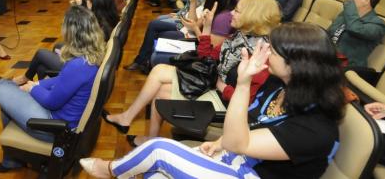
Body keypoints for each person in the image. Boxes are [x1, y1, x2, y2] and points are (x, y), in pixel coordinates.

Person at [81, 23, 345, 179]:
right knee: (157, 174)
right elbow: (250, 127)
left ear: (297, 65)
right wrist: (219, 144)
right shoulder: (280, 83)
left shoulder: (316, 128)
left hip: (253, 174)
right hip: (239, 158)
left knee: (159, 150)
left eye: (272, 51)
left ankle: (110, 170)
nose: (263, 54)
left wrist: (242, 83)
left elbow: (240, 140)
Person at [106, 0, 281, 146]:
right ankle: (136, 126)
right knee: (159, 71)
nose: (231, 14)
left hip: (227, 102)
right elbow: (208, 57)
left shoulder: (261, 56)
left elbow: (247, 103)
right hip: (216, 86)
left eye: (237, 11)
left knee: (161, 92)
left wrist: (221, 86)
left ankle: (143, 132)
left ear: (252, 16)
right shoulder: (240, 37)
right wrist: (207, 26)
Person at [0, 5, 105, 172]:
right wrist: (38, 84)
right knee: (6, 102)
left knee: (0, 90)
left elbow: (51, 102)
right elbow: (62, 80)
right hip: (62, 119)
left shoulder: (78, 66)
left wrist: (31, 88)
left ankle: (4, 84)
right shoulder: (89, 58)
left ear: (71, 32)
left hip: (54, 127)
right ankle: (11, 160)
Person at [0, 0, 117, 86]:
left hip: (82, 66)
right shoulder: (104, 20)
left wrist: (77, 8)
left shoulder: (98, 27)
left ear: (95, 3)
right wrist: (81, 6)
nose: (86, 0)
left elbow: (75, 39)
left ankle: (24, 79)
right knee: (45, 62)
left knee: (41, 54)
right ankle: (41, 87)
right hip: (86, 60)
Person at [124, 0, 236, 73]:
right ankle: (144, 62)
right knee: (156, 30)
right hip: (193, 37)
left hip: (197, 48)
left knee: (157, 40)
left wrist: (196, 28)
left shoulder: (223, 18)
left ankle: (145, 62)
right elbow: (194, 23)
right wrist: (192, 2)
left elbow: (210, 51)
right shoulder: (214, 8)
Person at [328, 0, 385, 67]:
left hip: (346, 67)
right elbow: (329, 33)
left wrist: (349, 2)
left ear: (366, 0)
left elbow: (355, 29)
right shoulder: (346, 13)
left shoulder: (378, 24)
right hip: (327, 56)